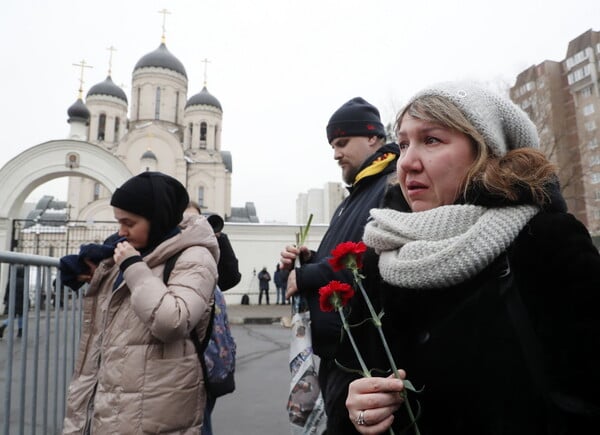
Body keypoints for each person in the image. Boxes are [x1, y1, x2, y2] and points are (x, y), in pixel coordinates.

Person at [340, 82, 600, 434]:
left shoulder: (546, 240)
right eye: (403, 144)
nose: (407, 163)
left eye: (431, 140)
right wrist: (358, 411)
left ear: (485, 152)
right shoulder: (381, 256)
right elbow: (353, 383)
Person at [61, 172, 219, 434]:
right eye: (118, 222)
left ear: (157, 219)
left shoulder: (195, 257)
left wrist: (133, 267)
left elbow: (173, 320)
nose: (121, 231)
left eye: (129, 222)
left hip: (157, 408)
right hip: (116, 402)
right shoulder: (129, 252)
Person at [279, 97, 401, 430]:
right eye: (333, 145)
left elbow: (368, 262)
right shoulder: (353, 198)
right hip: (339, 359)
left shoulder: (391, 187)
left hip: (366, 362)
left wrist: (308, 275)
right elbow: (339, 258)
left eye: (342, 142)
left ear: (373, 137)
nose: (335, 153)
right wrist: (308, 259)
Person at [184, 201, 241, 435]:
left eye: (198, 220)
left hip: (212, 361)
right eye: (186, 221)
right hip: (188, 364)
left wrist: (218, 237)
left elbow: (230, 276)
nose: (193, 226)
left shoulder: (207, 253)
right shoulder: (173, 254)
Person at [0, 265, 26, 339]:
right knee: (21, 316)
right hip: (21, 302)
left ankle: (4, 325)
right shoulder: (24, 281)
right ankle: (20, 332)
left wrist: (5, 300)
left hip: (11, 300)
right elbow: (25, 293)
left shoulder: (11, 279)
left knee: (12, 316)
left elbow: (7, 290)